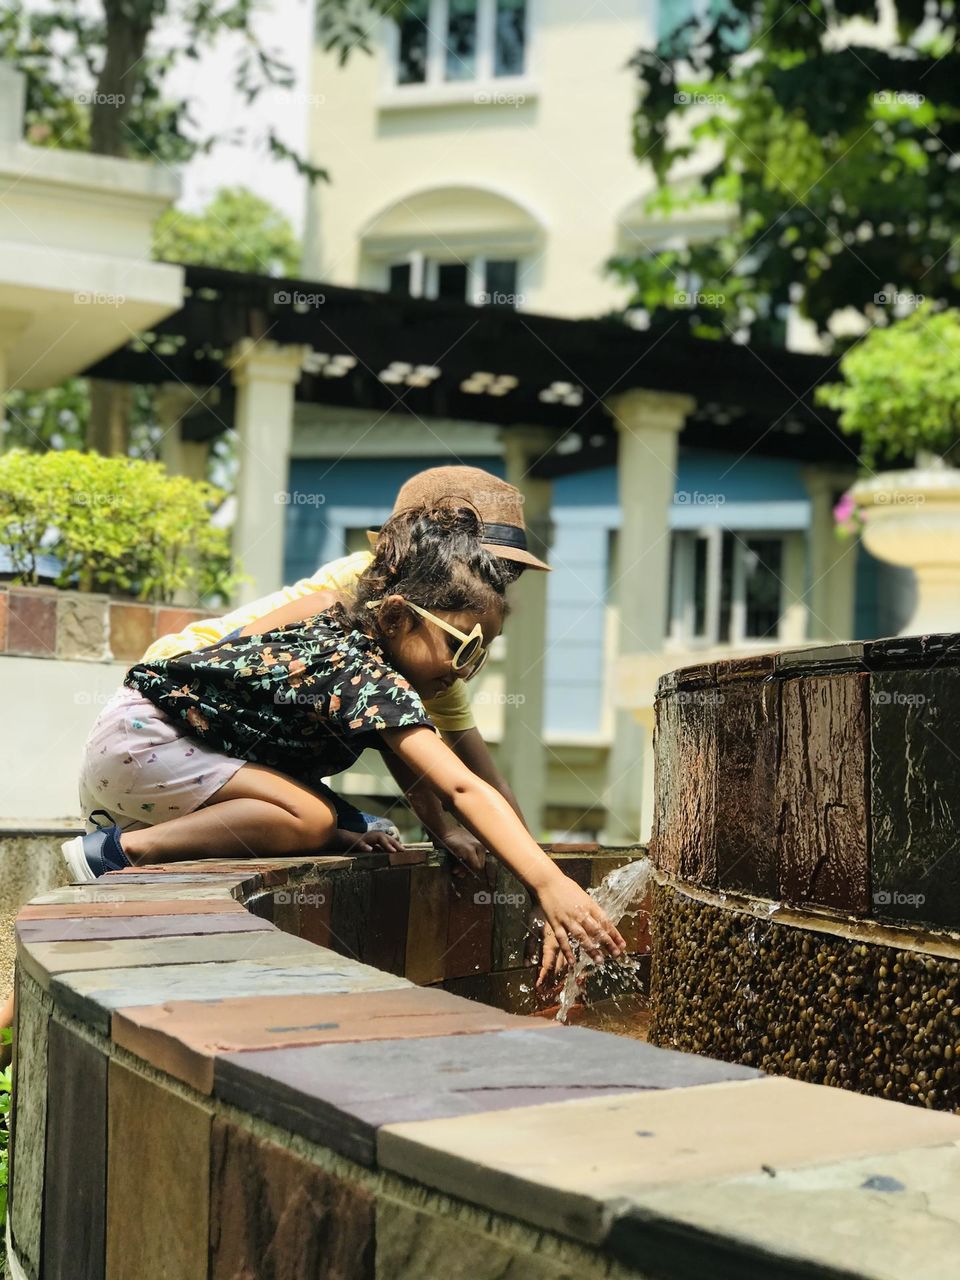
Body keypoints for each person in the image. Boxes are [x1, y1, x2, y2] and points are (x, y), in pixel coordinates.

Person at [62, 504, 626, 973]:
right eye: (464, 646)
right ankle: (116, 853)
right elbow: (460, 785)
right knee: (313, 821)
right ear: (402, 616)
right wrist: (549, 883)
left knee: (366, 830)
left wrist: (443, 835)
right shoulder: (366, 675)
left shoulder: (355, 639)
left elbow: (418, 775)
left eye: (482, 653)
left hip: (164, 740)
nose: (466, 669)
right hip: (147, 740)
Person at [133, 465, 549, 873]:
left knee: (366, 832)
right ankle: (129, 847)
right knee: (322, 823)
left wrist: (528, 864)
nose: (493, 586)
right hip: (184, 705)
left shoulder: (433, 639)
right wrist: (536, 878)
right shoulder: (374, 603)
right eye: (488, 570)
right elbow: (445, 767)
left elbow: (428, 748)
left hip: (236, 735)